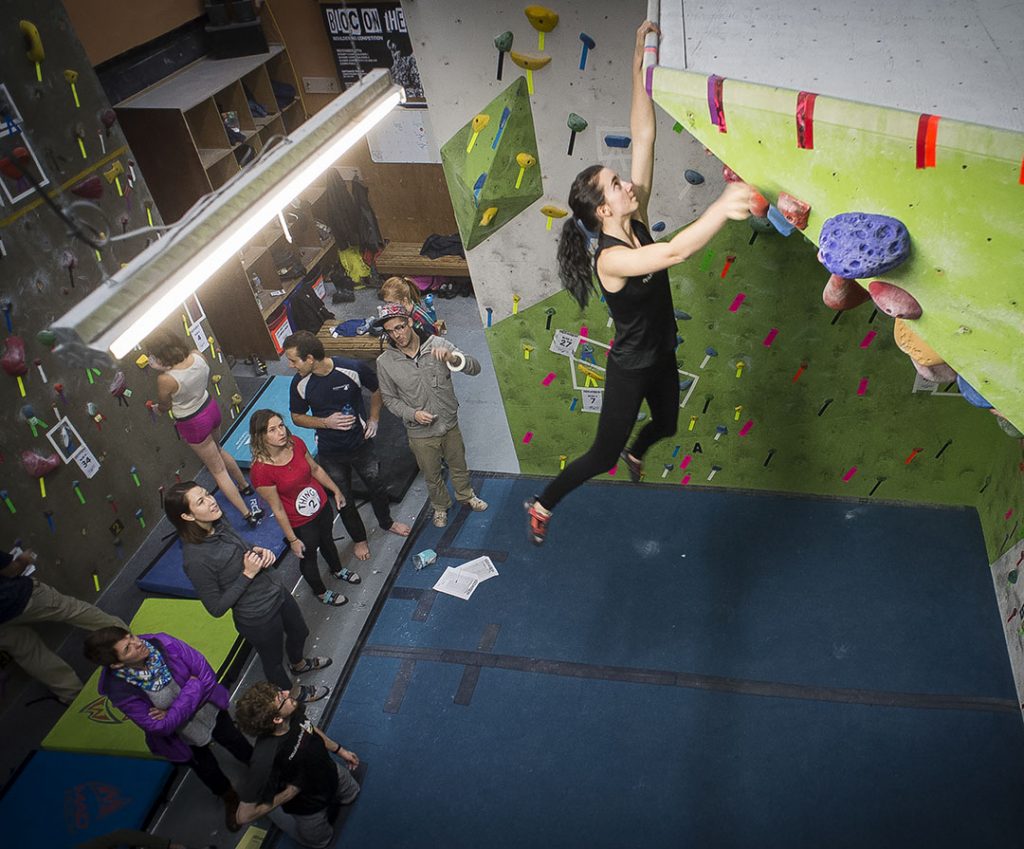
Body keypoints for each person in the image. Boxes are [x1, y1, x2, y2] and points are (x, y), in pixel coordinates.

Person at [524, 21, 753, 544]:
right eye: (617, 184)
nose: (629, 182)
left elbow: (643, 132)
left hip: (662, 357)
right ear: (605, 208)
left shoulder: (636, 213)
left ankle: (638, 449)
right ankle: (542, 502)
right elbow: (672, 251)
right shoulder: (610, 258)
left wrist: (638, 66)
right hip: (630, 368)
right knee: (601, 456)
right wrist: (722, 205)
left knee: (667, 426)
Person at [164, 481, 330, 703]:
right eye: (201, 501)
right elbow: (216, 608)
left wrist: (258, 551)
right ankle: (292, 693)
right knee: (273, 662)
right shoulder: (195, 560)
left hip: (276, 591)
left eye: (207, 494)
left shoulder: (218, 522)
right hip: (258, 617)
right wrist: (247, 574)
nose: (211, 501)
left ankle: (298, 664)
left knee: (300, 632)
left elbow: (241, 547)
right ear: (187, 517)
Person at [84, 627, 253, 833]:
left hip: (209, 711)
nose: (138, 643)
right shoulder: (120, 690)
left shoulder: (164, 643)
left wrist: (170, 711)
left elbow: (206, 676)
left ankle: (258, 766)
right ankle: (229, 797)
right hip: (182, 737)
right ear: (117, 664)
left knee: (234, 739)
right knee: (206, 769)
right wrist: (192, 688)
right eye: (128, 648)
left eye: (131, 636)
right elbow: (159, 727)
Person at [283, 330, 411, 562]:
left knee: (377, 484)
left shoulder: (351, 369)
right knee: (343, 498)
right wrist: (325, 422)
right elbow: (297, 417)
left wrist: (374, 418)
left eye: (293, 360)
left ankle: (387, 522)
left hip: (360, 444)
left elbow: (377, 389)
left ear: (310, 358)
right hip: (330, 452)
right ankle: (359, 539)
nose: (291, 366)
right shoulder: (300, 384)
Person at [373, 303, 488, 528]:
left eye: (400, 327)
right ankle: (440, 506)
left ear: (410, 323)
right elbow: (389, 399)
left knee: (458, 464)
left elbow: (475, 368)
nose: (398, 335)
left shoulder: (438, 344)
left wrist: (453, 359)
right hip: (420, 433)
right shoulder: (385, 362)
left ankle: (465, 495)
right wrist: (413, 414)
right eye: (391, 331)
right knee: (431, 473)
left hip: (448, 422)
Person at [146, 329, 264, 528]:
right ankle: (244, 486)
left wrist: (157, 406)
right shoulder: (197, 355)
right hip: (210, 407)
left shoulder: (166, 379)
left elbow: (165, 406)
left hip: (193, 421)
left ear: (161, 356)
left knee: (217, 470)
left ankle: (246, 513)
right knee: (218, 449)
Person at [249, 409, 359, 606]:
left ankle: (337, 569)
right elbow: (278, 509)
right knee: (309, 557)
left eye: (281, 426)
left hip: (321, 507)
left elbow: (315, 469)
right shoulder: (261, 471)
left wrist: (335, 490)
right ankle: (320, 591)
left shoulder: (296, 443)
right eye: (272, 430)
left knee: (327, 540)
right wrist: (292, 539)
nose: (281, 432)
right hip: (300, 523)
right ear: (261, 437)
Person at [235, 681, 361, 849]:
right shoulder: (264, 760)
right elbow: (243, 816)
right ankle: (278, 816)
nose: (288, 692)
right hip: (307, 805)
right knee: (321, 842)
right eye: (282, 697)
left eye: (280, 691)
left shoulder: (293, 711)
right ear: (277, 718)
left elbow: (310, 728)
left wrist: (340, 750)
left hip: (331, 773)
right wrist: (289, 793)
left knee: (353, 794)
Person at [0, 546, 126, 704]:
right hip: (16, 596)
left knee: (28, 652)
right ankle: (129, 641)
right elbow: (11, 570)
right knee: (72, 610)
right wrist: (26, 557)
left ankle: (74, 697)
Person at [379, 275, 445, 338]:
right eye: (386, 303)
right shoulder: (401, 312)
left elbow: (433, 339)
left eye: (391, 303)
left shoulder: (420, 319)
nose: (387, 307)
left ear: (404, 301)